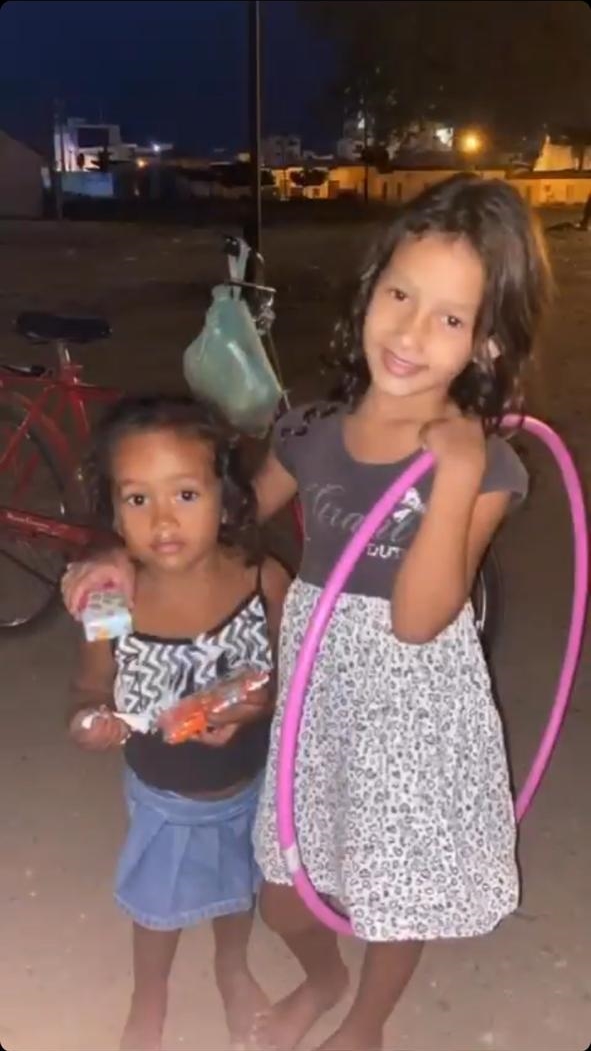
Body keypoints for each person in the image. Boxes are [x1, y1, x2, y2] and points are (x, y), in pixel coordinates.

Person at [62, 174, 552, 1051]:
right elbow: (217, 531)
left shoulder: (490, 470)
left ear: (484, 343)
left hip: (409, 704)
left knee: (392, 888)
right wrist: (116, 554)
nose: (410, 331)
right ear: (369, 292)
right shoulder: (312, 433)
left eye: (449, 317)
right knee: (286, 886)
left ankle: (362, 1023)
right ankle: (322, 976)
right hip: (317, 688)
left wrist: (452, 473)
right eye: (399, 294)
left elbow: (418, 620)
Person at [67, 394, 290, 1051]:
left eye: (186, 494)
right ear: (115, 513)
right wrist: (90, 718)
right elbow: (91, 684)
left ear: (227, 497)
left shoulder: (263, 581)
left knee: (237, 888)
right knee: (157, 906)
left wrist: (260, 701)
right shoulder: (112, 601)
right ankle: (151, 993)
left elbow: (293, 675)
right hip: (164, 794)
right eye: (138, 499)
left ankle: (231, 967)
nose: (162, 519)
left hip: (249, 780)